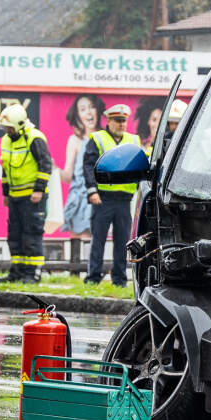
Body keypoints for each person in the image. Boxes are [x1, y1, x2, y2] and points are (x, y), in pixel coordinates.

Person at [83, 103, 141, 287]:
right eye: (117, 120)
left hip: (124, 200)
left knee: (122, 242)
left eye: (123, 121)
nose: (121, 124)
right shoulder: (98, 138)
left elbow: (140, 166)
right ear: (108, 121)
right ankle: (93, 278)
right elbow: (88, 166)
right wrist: (92, 190)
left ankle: (119, 280)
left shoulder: (133, 140)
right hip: (103, 198)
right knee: (98, 239)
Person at [0, 104, 52, 283]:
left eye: (10, 127)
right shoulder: (6, 140)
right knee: (15, 235)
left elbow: (45, 165)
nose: (7, 130)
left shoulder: (34, 138)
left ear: (19, 124)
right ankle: (17, 272)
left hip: (32, 197)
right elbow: (5, 168)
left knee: (31, 235)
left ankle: (32, 273)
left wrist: (38, 189)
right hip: (14, 196)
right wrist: (5, 193)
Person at [61, 94, 104, 239]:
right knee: (79, 249)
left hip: (100, 198)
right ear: (78, 115)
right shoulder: (74, 141)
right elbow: (67, 176)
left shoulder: (105, 138)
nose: (89, 112)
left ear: (98, 110)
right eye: (83, 109)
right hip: (79, 202)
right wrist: (53, 169)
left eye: (92, 107)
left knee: (98, 246)